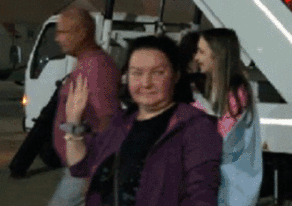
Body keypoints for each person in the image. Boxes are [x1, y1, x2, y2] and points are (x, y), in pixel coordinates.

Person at [64, 35, 222, 206]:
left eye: (158, 73)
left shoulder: (196, 127)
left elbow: (202, 195)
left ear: (176, 75)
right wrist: (73, 122)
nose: (146, 83)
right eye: (137, 73)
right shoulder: (121, 122)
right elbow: (80, 167)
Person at [49, 8, 120, 206]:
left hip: (86, 166)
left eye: (63, 32)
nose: (57, 38)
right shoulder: (87, 63)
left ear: (81, 33)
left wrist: (93, 174)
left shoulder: (95, 68)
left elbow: (107, 121)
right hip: (79, 165)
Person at [193, 28, 263, 206]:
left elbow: (220, 141)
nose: (196, 57)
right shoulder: (219, 91)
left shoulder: (236, 95)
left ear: (218, 55)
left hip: (232, 192)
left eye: (201, 52)